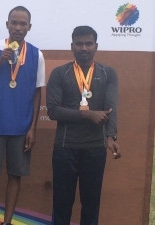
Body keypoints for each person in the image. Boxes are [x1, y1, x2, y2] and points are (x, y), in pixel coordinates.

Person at [0, 6, 45, 225]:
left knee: (15, 175)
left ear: (29, 27)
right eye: (14, 22)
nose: (18, 28)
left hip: (21, 128)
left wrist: (32, 128)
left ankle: (7, 221)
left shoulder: (36, 54)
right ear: (7, 24)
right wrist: (0, 61)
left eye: (23, 24)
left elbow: (37, 93)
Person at [46, 25, 121, 225]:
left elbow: (111, 108)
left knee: (91, 204)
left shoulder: (108, 73)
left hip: (95, 148)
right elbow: (53, 111)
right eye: (79, 44)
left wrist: (111, 136)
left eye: (89, 43)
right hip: (65, 147)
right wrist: (88, 115)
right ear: (72, 46)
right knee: (61, 203)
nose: (84, 48)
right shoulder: (59, 73)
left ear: (96, 46)